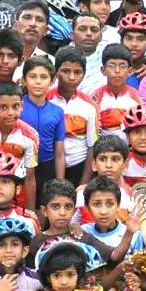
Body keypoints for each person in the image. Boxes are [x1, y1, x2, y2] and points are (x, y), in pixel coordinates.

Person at [0, 81, 40, 206]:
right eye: (3, 107)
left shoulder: (31, 136)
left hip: (15, 197)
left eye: (15, 106)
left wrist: (30, 212)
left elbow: (29, 177)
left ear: (22, 106)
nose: (10, 113)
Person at [50, 46, 99, 186]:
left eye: (77, 72)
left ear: (84, 74)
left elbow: (92, 147)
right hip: (49, 166)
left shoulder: (89, 105)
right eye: (66, 71)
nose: (71, 77)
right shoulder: (45, 100)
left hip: (79, 167)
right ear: (56, 72)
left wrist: (84, 183)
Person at [21, 56, 66, 190]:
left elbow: (59, 152)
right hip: (21, 165)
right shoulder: (18, 107)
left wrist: (60, 182)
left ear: (52, 81)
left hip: (47, 167)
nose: (38, 82)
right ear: (24, 80)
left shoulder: (57, 112)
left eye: (43, 77)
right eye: (33, 76)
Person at [92, 43, 144, 141]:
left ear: (130, 71)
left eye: (122, 66)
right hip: (103, 151)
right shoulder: (95, 98)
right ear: (103, 70)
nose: (117, 71)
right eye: (111, 66)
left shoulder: (138, 99)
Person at [70, 13, 108, 95]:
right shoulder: (58, 61)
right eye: (82, 29)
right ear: (72, 35)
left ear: (101, 36)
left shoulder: (110, 60)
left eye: (94, 30)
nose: (89, 33)